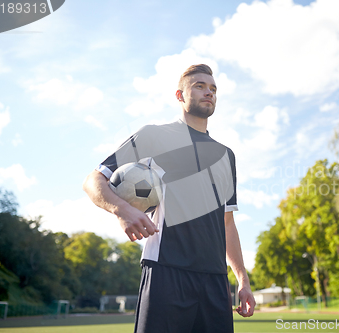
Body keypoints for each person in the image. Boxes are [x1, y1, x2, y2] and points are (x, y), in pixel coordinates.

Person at [83, 64, 255, 332]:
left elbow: (227, 223)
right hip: (166, 270)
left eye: (213, 89)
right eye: (199, 86)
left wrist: (242, 279)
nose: (208, 92)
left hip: (215, 281)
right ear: (179, 96)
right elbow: (93, 181)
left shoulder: (226, 155)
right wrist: (123, 210)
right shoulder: (153, 135)